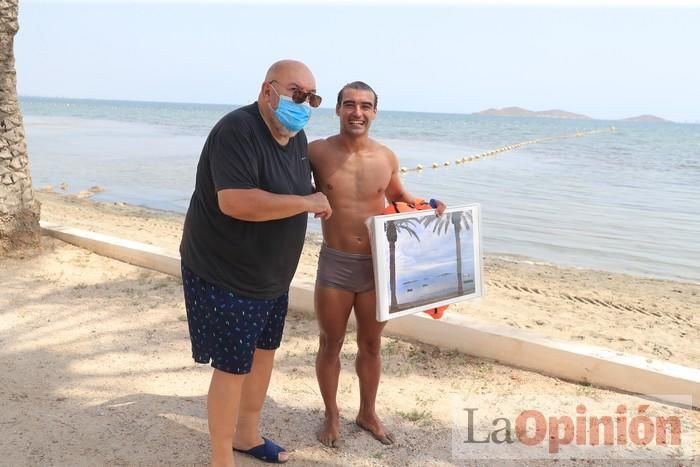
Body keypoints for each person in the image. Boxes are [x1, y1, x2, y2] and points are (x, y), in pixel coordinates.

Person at [179, 59, 331, 467]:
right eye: (296, 93)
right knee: (233, 366)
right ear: (269, 91)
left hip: (272, 276)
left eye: (312, 97)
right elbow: (236, 201)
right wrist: (306, 202)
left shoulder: (296, 138)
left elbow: (295, 189)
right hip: (225, 271)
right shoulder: (237, 130)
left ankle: (246, 434)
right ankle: (220, 457)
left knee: (264, 353)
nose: (304, 103)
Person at [309, 81, 446, 448]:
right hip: (335, 263)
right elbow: (290, 187)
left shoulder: (386, 157)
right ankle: (331, 414)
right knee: (330, 343)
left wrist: (429, 206)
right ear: (337, 109)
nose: (358, 112)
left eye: (366, 106)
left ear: (374, 112)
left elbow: (399, 196)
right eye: (350, 104)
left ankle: (367, 412)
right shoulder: (316, 152)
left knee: (371, 345)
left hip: (377, 267)